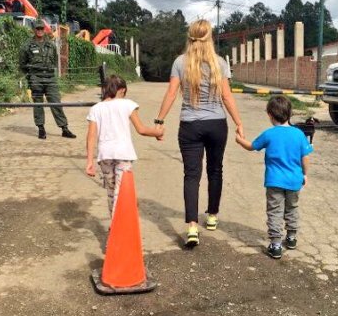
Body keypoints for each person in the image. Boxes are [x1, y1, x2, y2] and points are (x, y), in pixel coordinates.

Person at [155, 19, 244, 247]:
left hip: (190, 126)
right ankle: (212, 216)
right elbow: (227, 97)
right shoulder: (220, 63)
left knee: (191, 175)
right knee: (215, 170)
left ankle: (192, 227)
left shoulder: (180, 62)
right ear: (210, 37)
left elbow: (171, 93)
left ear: (190, 37)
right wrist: (238, 122)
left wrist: (159, 120)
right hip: (217, 124)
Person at [235, 95, 313, 259]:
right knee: (292, 208)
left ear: (270, 114)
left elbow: (251, 147)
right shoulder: (298, 134)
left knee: (275, 211)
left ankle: (276, 245)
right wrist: (305, 174)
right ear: (289, 113)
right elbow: (305, 158)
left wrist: (240, 140)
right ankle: (291, 238)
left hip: (274, 181)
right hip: (294, 181)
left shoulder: (269, 134)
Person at [86, 75, 164, 218]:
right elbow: (141, 129)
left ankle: (114, 224)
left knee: (111, 192)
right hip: (123, 154)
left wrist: (90, 162)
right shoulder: (127, 104)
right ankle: (119, 227)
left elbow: (91, 136)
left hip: (105, 156)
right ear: (122, 90)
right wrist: (157, 132)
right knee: (121, 192)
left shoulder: (96, 108)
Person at [19, 19, 76, 140]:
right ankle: (41, 129)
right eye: (37, 29)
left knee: (56, 102)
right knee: (38, 104)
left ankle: (64, 128)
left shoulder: (50, 44)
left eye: (41, 29)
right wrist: (31, 76)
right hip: (36, 78)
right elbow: (22, 64)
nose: (40, 31)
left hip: (50, 78)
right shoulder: (27, 45)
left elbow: (55, 60)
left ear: (44, 30)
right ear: (34, 30)